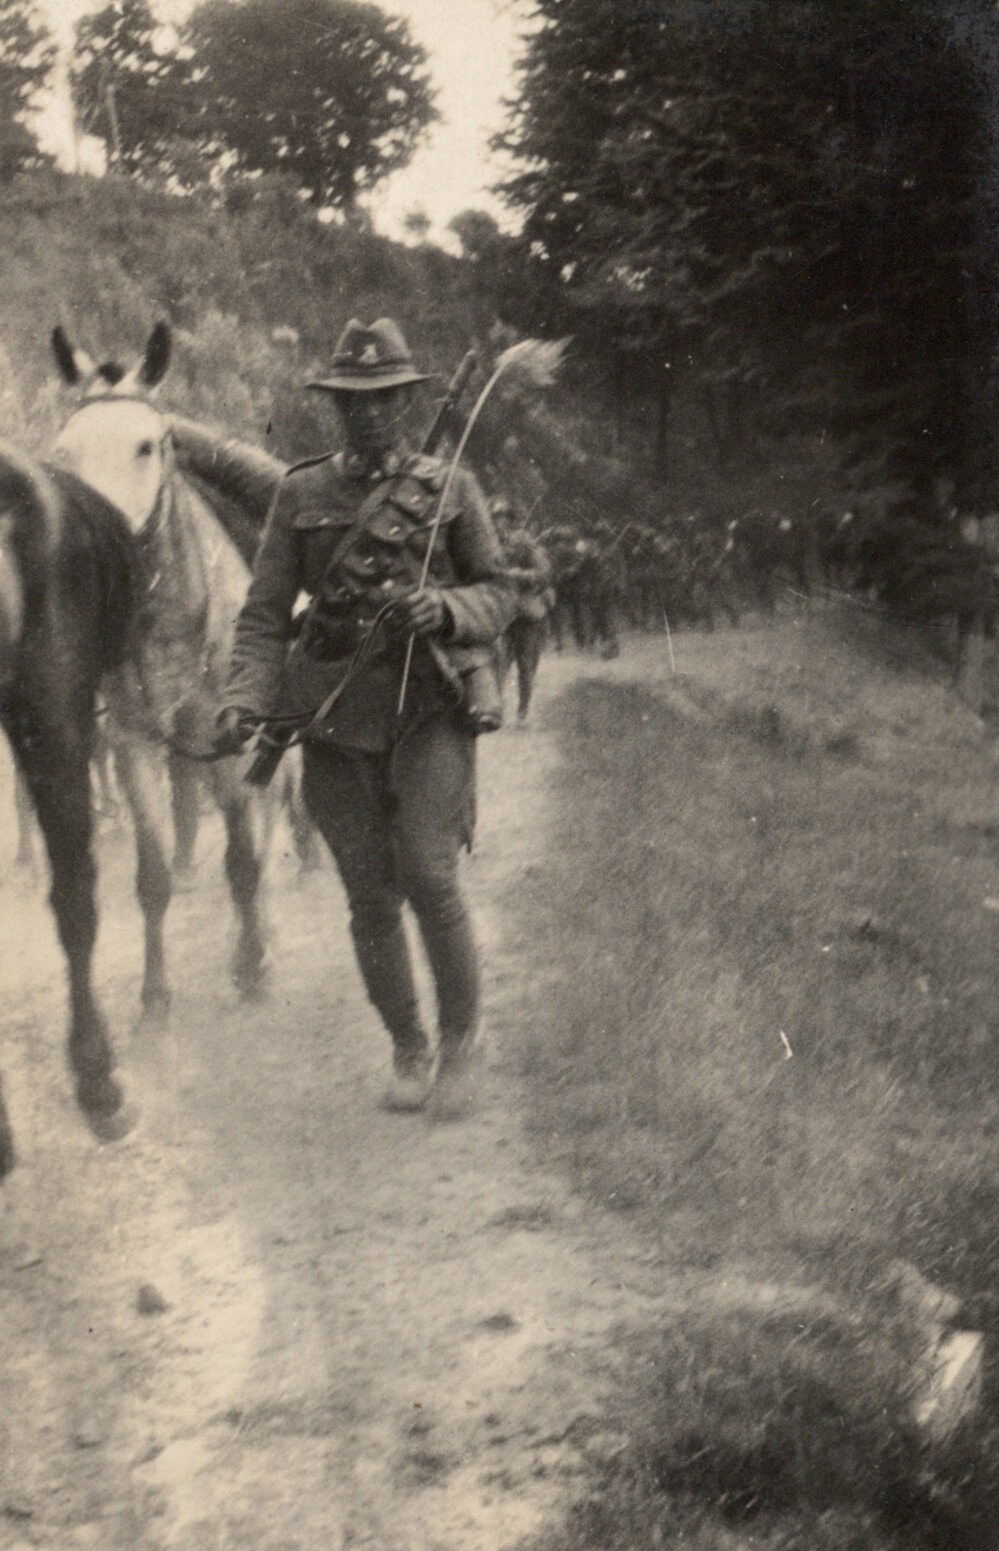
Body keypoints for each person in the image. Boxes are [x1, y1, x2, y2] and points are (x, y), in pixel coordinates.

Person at [215, 318, 516, 1115]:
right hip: (333, 714)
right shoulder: (301, 493)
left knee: (426, 871)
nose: (369, 414)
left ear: (410, 402)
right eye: (352, 401)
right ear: (333, 408)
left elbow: (500, 592)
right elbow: (263, 613)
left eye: (384, 399)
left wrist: (445, 607)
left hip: (430, 706)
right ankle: (408, 1045)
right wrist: (245, 697)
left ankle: (460, 1043)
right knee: (368, 895)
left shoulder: (451, 487)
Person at [491, 498, 554, 723]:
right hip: (499, 612)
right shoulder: (487, 544)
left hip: (526, 611)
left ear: (509, 519)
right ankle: (494, 708)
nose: (498, 523)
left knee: (525, 664)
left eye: (502, 517)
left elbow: (544, 572)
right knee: (497, 660)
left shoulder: (524, 541)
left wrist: (519, 574)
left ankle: (522, 710)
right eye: (495, 518)